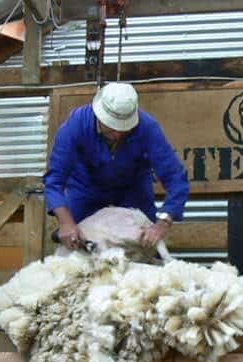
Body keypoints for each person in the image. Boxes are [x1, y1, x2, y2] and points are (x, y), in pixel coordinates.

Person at [44, 82, 190, 250]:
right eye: (112, 127)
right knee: (76, 252)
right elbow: (54, 181)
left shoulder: (147, 128)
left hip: (134, 193)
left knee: (147, 248)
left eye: (125, 128)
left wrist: (162, 224)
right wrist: (65, 222)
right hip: (85, 191)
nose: (118, 133)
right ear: (99, 115)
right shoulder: (75, 126)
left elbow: (176, 179)